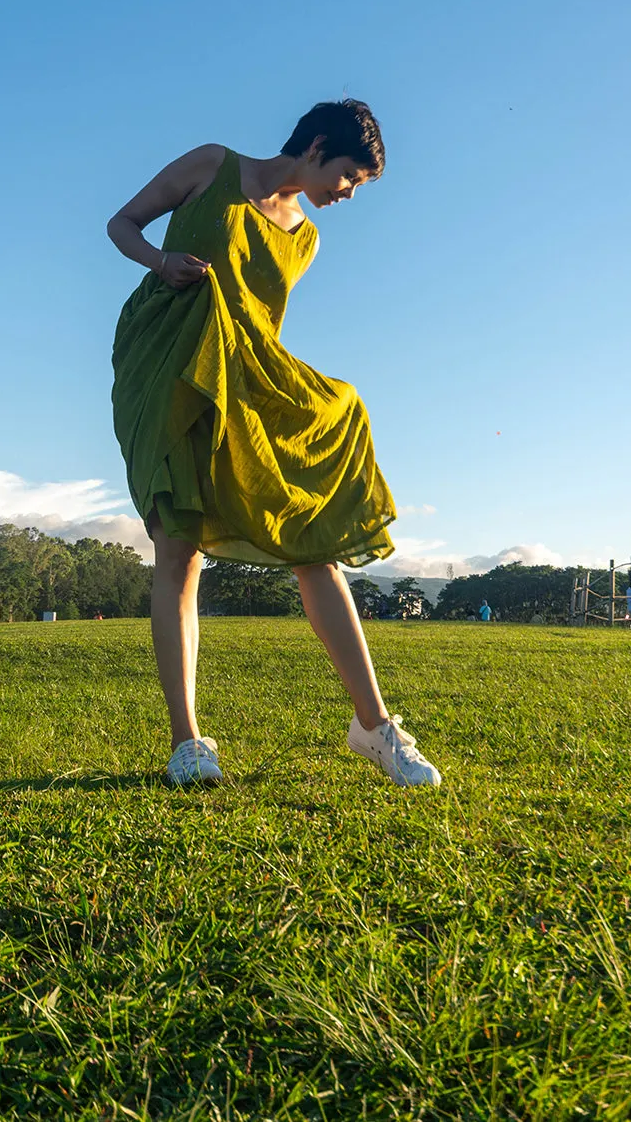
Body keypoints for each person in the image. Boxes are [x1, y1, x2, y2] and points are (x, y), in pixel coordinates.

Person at [108, 100, 441, 790]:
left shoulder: (307, 236)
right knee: (179, 549)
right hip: (168, 366)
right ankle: (187, 743)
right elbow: (122, 223)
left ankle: (374, 728)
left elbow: (259, 321)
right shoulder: (213, 166)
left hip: (245, 376)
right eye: (349, 175)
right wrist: (162, 258)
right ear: (318, 144)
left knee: (312, 539)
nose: (347, 193)